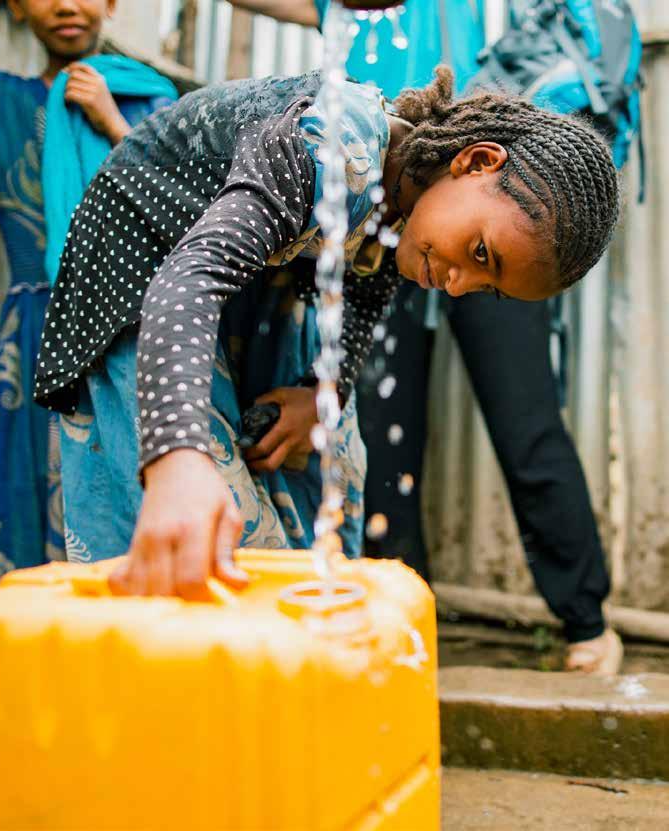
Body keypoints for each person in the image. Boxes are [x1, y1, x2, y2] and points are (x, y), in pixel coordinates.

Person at [33, 57, 619, 616]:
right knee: (202, 527)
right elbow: (190, 278)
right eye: (481, 253)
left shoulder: (411, 212)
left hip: (253, 295)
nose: (460, 285)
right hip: (145, 287)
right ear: (475, 161)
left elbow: (364, 291)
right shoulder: (333, 148)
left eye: (488, 286)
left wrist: (321, 393)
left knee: (328, 463)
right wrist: (176, 456)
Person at [229, 0, 624, 675]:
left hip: (484, 220)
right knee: (384, 424)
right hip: (385, 220)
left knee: (524, 419)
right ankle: (399, 612)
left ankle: (584, 619)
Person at [0, 0, 177, 586]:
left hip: (120, 330)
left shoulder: (153, 100)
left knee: (119, 491)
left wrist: (112, 123)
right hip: (30, 337)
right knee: (22, 493)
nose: (67, 4)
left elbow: (180, 207)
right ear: (16, 8)